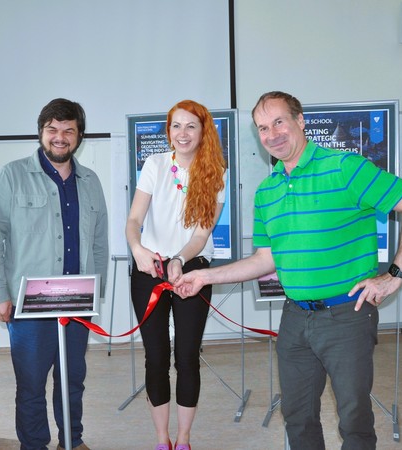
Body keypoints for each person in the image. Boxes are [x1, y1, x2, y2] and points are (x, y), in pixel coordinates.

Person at [175, 91, 402, 450]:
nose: (272, 134)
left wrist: (394, 276)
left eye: (279, 122)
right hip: (295, 318)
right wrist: (204, 276)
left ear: (300, 121)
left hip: (347, 315)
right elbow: (265, 259)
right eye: (263, 128)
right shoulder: (267, 191)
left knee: (354, 420)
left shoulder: (344, 167)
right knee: (297, 417)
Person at [0, 98, 108, 450]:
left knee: (72, 379)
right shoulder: (12, 175)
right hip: (30, 303)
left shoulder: (90, 181)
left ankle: (72, 440)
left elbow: (99, 241)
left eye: (68, 130)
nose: (60, 137)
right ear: (41, 132)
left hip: (77, 301)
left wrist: (96, 294)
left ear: (79, 136)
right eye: (52, 129)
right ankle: (34, 444)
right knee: (31, 383)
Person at [126, 99, 226, 450]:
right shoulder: (154, 164)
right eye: (176, 126)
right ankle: (162, 440)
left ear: (203, 131)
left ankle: (183, 440)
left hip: (191, 269)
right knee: (155, 357)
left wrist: (180, 260)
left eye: (191, 126)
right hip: (149, 268)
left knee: (186, 357)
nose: (182, 133)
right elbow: (134, 220)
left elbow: (200, 236)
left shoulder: (216, 173)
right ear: (168, 131)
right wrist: (138, 249)